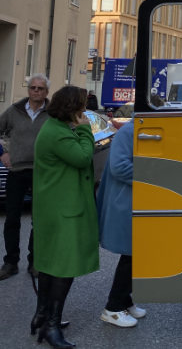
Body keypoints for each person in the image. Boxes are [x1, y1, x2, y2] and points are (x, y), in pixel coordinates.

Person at [32, 86, 99, 348]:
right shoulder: (58, 134)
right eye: (81, 107)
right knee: (64, 268)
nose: (84, 112)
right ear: (72, 108)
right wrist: (85, 130)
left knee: (51, 265)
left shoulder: (54, 129)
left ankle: (42, 316)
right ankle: (50, 325)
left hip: (56, 208)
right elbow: (82, 157)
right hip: (63, 210)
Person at [96, 119, 146, 327]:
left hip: (130, 201)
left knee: (133, 255)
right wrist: (152, 176)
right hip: (124, 202)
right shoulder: (130, 131)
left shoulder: (137, 130)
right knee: (131, 255)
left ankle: (125, 301)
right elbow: (119, 167)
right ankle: (113, 308)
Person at [0, 73, 50, 280]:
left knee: (39, 219)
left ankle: (35, 262)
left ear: (46, 92)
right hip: (17, 171)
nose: (35, 91)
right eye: (32, 87)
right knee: (12, 218)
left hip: (42, 172)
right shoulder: (14, 111)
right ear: (28, 90)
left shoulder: (53, 113)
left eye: (40, 88)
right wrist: (2, 153)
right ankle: (10, 262)